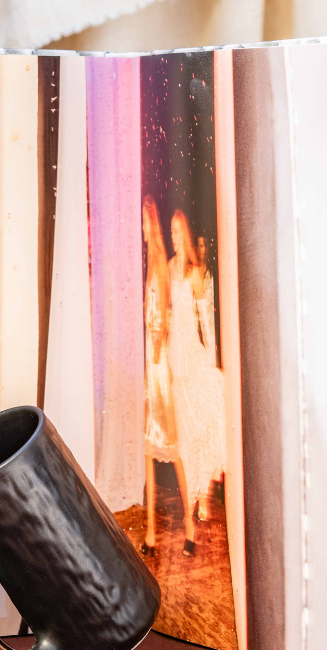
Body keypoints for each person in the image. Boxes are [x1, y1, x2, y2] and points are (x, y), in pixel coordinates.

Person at [141, 197, 194, 557]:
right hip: (152, 364)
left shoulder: (159, 262)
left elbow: (163, 317)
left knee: (170, 447)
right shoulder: (152, 262)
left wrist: (159, 359)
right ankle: (150, 532)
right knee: (149, 446)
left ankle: (188, 525)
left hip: (159, 368)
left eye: (144, 222)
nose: (142, 229)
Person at [168, 211, 227, 532]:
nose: (175, 238)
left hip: (194, 352)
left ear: (186, 235)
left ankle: (204, 495)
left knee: (202, 423)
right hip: (176, 356)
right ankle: (190, 496)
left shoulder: (194, 273)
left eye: (179, 233)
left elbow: (206, 320)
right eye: (172, 233)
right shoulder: (168, 268)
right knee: (185, 429)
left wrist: (213, 358)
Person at [196, 234, 217, 364]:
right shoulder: (194, 271)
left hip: (211, 325)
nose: (201, 250)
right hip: (197, 323)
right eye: (198, 246)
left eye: (203, 246)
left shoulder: (213, 271)